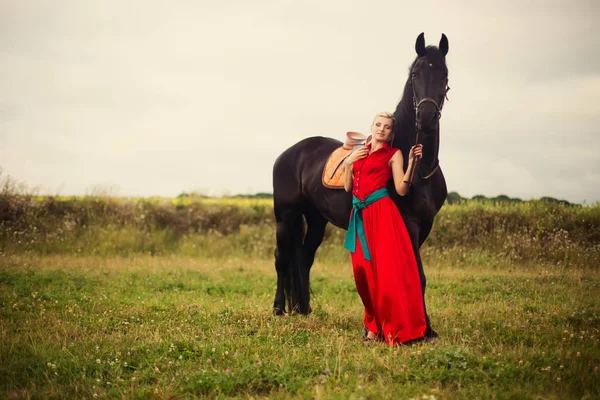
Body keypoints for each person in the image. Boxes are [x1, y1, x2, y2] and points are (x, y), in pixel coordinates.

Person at [343, 111, 426, 345]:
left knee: (385, 274)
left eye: (387, 127)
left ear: (391, 133)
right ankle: (373, 322)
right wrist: (348, 163)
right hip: (359, 216)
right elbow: (348, 187)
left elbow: (401, 189)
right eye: (378, 124)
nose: (382, 129)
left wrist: (412, 164)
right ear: (371, 126)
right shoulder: (358, 152)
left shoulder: (393, 154)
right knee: (361, 272)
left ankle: (380, 330)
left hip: (382, 215)